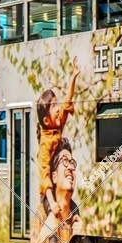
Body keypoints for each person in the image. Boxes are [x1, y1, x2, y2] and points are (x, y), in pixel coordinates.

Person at [37, 72, 79, 220]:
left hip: (58, 190)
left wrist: (73, 77)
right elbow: (44, 176)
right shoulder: (45, 145)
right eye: (54, 106)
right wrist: (52, 202)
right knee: (53, 217)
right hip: (49, 196)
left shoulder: (56, 127)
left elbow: (68, 102)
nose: (58, 109)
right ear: (46, 121)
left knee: (75, 210)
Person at [43, 138, 82, 243]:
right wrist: (44, 235)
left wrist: (80, 234)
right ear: (54, 177)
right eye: (65, 161)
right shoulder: (41, 214)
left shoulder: (76, 216)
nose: (70, 167)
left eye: (72, 162)